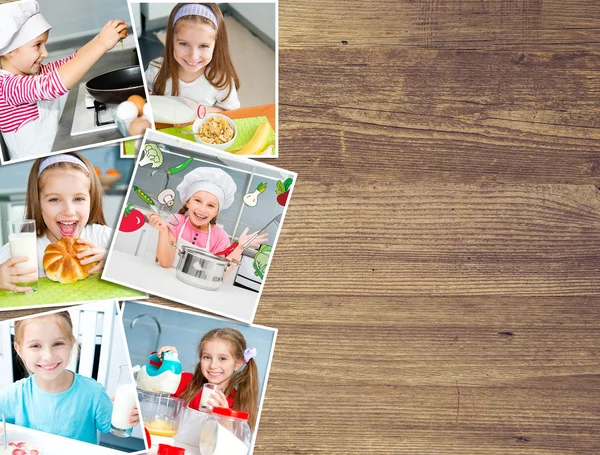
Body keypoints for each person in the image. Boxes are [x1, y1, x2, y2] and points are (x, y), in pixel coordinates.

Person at [0, 1, 128, 160]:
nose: (45, 53)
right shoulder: (6, 87)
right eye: (37, 45)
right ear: (9, 52)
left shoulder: (34, 72)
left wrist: (101, 38)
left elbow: (72, 60)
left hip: (55, 151)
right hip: (35, 163)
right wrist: (101, 43)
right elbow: (52, 85)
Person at [0, 311, 139, 444]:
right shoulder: (13, 395)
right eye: (35, 346)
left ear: (71, 343)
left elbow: (117, 429)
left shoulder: (93, 393)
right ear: (19, 350)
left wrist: (127, 416)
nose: (48, 356)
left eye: (58, 343)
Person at [0, 153, 112, 292]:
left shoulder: (105, 238)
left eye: (78, 199)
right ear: (38, 203)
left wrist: (115, 261)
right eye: (54, 199)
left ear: (91, 199)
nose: (69, 211)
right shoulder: (18, 251)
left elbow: (143, 265)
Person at [148, 166, 268, 271]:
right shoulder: (176, 221)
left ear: (216, 212)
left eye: (210, 205)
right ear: (187, 203)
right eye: (197, 201)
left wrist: (240, 247)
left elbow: (221, 274)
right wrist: (163, 230)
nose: (202, 209)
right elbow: (166, 263)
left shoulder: (220, 237)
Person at [145, 3, 241, 113]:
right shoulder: (156, 69)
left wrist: (199, 111)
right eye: (184, 44)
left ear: (216, 45)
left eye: (203, 46)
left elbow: (231, 112)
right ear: (171, 40)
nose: (193, 56)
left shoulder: (221, 79)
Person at [157, 327, 259, 429]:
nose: (213, 365)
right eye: (207, 357)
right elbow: (157, 379)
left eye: (222, 358)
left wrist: (225, 420)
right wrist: (169, 360)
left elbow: (234, 441)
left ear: (237, 364)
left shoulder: (237, 402)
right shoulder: (185, 382)